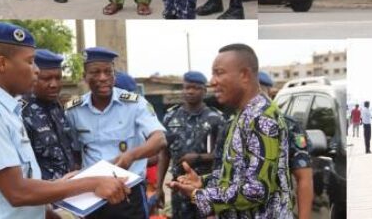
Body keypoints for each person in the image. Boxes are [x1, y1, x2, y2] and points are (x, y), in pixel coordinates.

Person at [0, 22, 131, 218]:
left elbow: (22, 181)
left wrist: (56, 193)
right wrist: (93, 184)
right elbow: (17, 192)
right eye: (30, 61)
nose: (37, 70)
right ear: (2, 64)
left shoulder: (6, 110)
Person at [167, 44, 293, 218]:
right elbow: (237, 173)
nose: (212, 81)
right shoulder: (243, 115)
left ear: (244, 75)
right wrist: (202, 181)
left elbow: (256, 190)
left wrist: (200, 196)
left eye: (219, 73)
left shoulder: (261, 119)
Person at [65, 46, 167, 218]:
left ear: (114, 75)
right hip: (91, 192)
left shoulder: (135, 104)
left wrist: (131, 155)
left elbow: (159, 139)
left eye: (108, 72)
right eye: (95, 72)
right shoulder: (73, 110)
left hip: (128, 190)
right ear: (85, 77)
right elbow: (75, 151)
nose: (103, 78)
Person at [157, 71, 224, 219]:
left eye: (196, 88)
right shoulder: (170, 117)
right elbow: (164, 154)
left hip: (206, 186)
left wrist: (199, 158)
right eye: (187, 87)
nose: (190, 91)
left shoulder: (215, 118)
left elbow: (223, 155)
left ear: (204, 91)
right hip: (178, 187)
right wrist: (158, 187)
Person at [259, 72, 313, 219]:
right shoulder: (230, 126)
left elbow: (304, 178)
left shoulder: (288, 126)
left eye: (259, 91)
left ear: (269, 93)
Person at [21, 49, 79, 180]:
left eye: (58, 78)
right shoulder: (21, 111)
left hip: (69, 188)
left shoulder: (56, 107)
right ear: (33, 75)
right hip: (43, 193)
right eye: (46, 79)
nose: (54, 85)